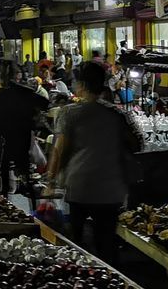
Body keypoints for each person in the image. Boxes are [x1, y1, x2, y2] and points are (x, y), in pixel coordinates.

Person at [48, 62, 144, 263]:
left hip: (80, 185)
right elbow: (137, 144)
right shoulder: (117, 113)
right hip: (111, 187)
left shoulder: (68, 113)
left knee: (76, 241)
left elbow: (59, 150)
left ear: (82, 84)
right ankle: (112, 280)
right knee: (106, 240)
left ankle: (82, 276)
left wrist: (50, 181)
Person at [0, 61, 45, 194]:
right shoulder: (25, 91)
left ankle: (7, 201)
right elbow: (44, 104)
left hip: (4, 139)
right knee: (24, 171)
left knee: (5, 171)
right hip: (22, 137)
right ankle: (30, 202)